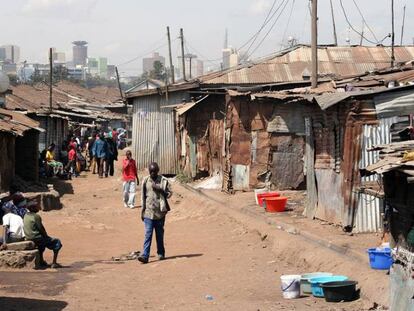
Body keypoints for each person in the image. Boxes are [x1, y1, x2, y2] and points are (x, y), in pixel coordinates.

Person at [138, 162, 172, 264]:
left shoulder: (163, 181)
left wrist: (160, 189)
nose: (152, 173)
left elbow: (169, 194)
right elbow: (143, 197)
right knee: (148, 234)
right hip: (148, 212)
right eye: (151, 171)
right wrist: (142, 211)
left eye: (154, 171)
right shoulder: (145, 181)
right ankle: (145, 255)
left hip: (160, 213)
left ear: (158, 171)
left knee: (159, 234)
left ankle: (161, 253)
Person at [23, 199, 62, 268]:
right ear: (32, 208)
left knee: (42, 246)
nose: (38, 208)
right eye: (36, 207)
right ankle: (54, 263)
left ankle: (41, 260)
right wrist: (46, 237)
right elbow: (41, 229)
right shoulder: (36, 216)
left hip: (28, 237)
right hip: (36, 237)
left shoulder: (26, 215)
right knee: (57, 242)